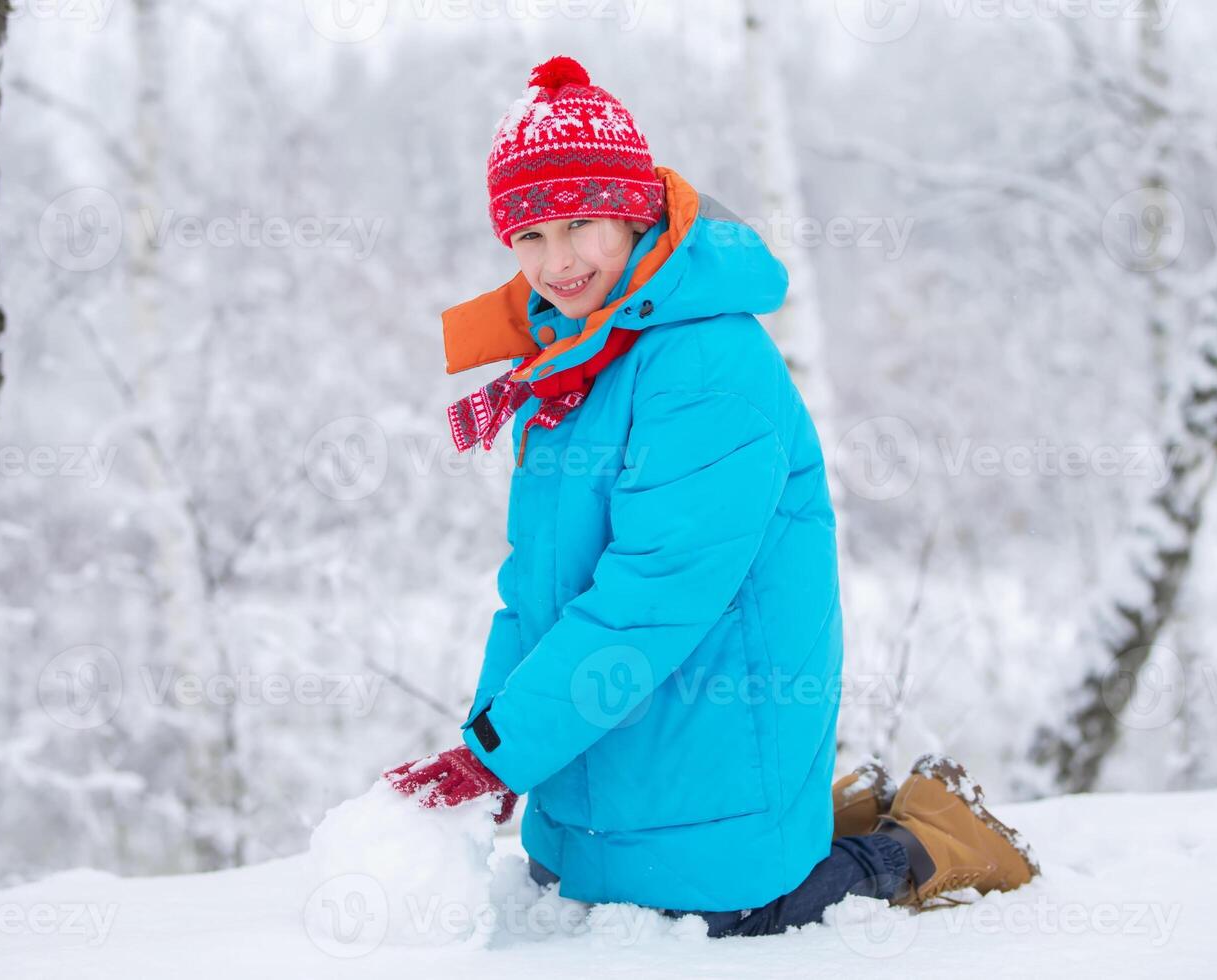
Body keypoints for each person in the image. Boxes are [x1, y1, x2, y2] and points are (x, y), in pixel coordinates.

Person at [382, 55, 1039, 939]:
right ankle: (851, 800)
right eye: (530, 237)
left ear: (636, 212)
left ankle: (929, 837)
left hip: (715, 715)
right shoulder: (568, 366)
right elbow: (535, 589)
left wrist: (504, 755)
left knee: (737, 909)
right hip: (625, 738)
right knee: (583, 888)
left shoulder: (702, 364)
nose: (557, 261)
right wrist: (491, 741)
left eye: (582, 224)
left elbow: (654, 595)